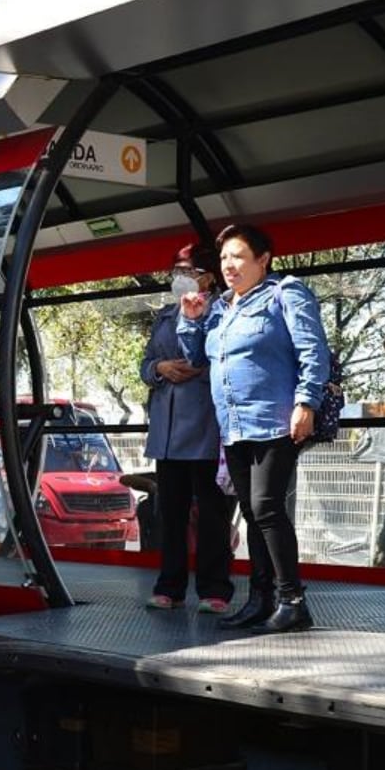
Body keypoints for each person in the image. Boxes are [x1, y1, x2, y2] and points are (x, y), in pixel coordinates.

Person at [178, 223, 331, 633]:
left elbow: (313, 349)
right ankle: (261, 599)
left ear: (263, 260)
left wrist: (306, 402)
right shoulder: (221, 307)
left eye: (239, 257)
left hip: (275, 420)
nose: (229, 265)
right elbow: (197, 356)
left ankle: (292, 600)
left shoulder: (286, 292)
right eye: (225, 258)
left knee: (266, 507)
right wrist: (191, 321)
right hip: (234, 425)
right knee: (251, 512)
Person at [141, 243, 237, 613]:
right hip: (166, 430)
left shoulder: (223, 313)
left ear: (209, 276)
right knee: (171, 513)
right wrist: (160, 369)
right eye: (175, 270)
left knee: (213, 513)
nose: (180, 278)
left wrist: (200, 367)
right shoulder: (164, 315)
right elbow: (147, 362)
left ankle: (215, 589)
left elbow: (229, 363)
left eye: (188, 270)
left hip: (206, 429)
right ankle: (170, 585)